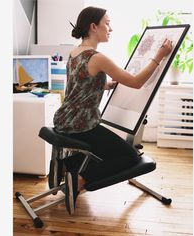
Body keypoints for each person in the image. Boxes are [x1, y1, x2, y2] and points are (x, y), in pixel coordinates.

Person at [53, 6, 172, 214]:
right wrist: (159, 56)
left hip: (64, 119)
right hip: (82, 124)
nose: (111, 28)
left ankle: (65, 164)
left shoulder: (74, 52)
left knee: (105, 149)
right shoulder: (97, 57)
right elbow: (135, 82)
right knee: (130, 157)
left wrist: (104, 85)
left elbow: (79, 84)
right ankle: (79, 179)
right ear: (93, 26)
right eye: (107, 23)